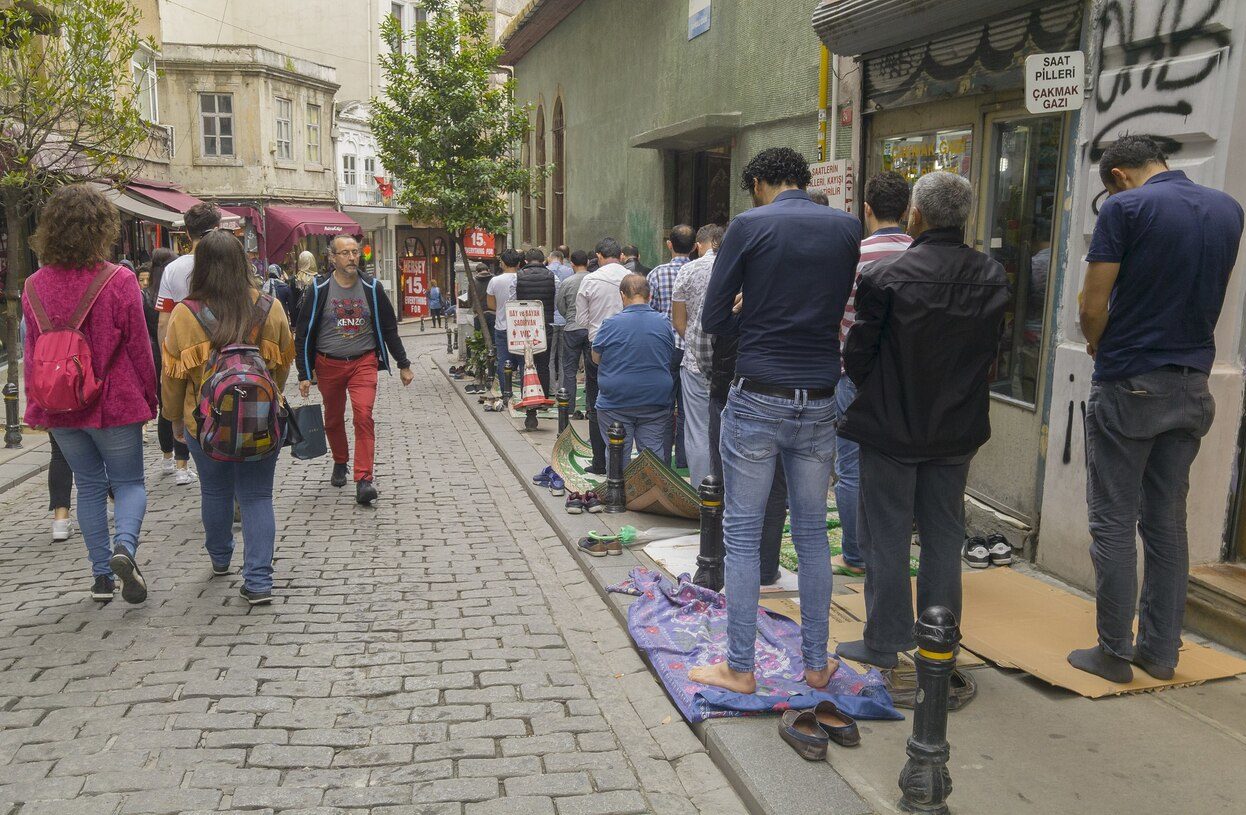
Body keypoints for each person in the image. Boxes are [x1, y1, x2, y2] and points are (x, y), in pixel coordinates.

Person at [1068, 135, 1244, 683]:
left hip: (1131, 380)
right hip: (1192, 384)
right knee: (1167, 523)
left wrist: (1097, 342)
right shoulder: (1226, 209)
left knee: (1114, 520)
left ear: (1118, 174)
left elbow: (1092, 302)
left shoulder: (1125, 207)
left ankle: (1114, 652)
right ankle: (1161, 652)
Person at [693, 147, 860, 693]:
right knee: (812, 533)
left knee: (742, 534)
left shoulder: (748, 225)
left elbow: (715, 317)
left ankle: (740, 667)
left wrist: (749, 307)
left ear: (761, 182)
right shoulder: (845, 228)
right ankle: (816, 663)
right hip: (819, 393)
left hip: (759, 391)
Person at [834, 172, 1008, 670]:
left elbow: (857, 356)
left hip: (892, 423)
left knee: (886, 534)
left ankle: (886, 640)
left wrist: (882, 387)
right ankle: (940, 641)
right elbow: (989, 354)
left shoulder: (886, 276)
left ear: (916, 215)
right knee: (942, 534)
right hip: (956, 425)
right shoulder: (992, 275)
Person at [23, 183, 157, 603]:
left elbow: (31, 355)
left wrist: (35, 404)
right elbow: (139, 345)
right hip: (114, 402)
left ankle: (101, 577)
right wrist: (150, 397)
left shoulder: (32, 286)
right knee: (129, 483)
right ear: (103, 228)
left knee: (89, 486)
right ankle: (125, 548)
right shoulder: (118, 280)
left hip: (60, 406)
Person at [160, 230, 294, 605]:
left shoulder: (186, 314)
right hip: (261, 420)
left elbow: (172, 376)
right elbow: (282, 363)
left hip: (203, 423)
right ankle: (259, 581)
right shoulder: (269, 306)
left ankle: (221, 558)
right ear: (243, 263)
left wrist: (174, 419)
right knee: (256, 496)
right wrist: (270, 397)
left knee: (215, 491)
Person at [833, 172, 914, 577]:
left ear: (866, 210)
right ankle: (892, 553)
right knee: (901, 464)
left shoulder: (853, 256)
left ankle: (854, 555)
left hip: (854, 374)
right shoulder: (922, 253)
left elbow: (835, 314)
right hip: (908, 377)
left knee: (850, 467)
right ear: (908, 211)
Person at [296, 235, 414, 505]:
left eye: (355, 252)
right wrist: (304, 373)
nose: (351, 258)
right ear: (332, 258)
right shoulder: (318, 288)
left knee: (363, 415)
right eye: (345, 253)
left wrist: (403, 363)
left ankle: (364, 479)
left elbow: (388, 328)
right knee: (333, 419)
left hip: (363, 361)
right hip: (328, 364)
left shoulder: (372, 288)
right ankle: (340, 460)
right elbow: (303, 334)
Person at [591, 274, 675, 464]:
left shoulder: (610, 324)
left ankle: (619, 492)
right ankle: (651, 491)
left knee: (617, 455)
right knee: (652, 457)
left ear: (622, 295)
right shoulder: (664, 323)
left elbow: (596, 358)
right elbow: (668, 354)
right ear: (649, 296)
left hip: (615, 402)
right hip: (655, 400)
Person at [671, 223, 723, 490]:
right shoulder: (736, 265)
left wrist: (693, 341)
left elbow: (678, 319)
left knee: (698, 431)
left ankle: (701, 494)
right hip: (731, 363)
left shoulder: (688, 269)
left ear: (700, 244)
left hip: (694, 362)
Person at [575, 238, 631, 474]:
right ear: (621, 256)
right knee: (628, 401)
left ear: (598, 256)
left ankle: (600, 462)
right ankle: (627, 459)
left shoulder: (590, 279)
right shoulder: (632, 279)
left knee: (597, 402)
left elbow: (581, 320)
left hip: (598, 346)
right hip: (629, 345)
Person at [141, 247, 194, 482]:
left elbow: (154, 327)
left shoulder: (148, 293)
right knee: (187, 405)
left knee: (169, 408)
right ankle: (183, 465)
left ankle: (168, 458)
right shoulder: (177, 283)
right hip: (185, 351)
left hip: (161, 355)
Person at [647, 225, 695, 470]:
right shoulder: (701, 271)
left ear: (669, 245)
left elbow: (650, 310)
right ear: (695, 246)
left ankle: (664, 458)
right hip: (692, 346)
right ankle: (685, 459)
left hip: (665, 348)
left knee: (665, 406)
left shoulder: (656, 274)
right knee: (687, 407)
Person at [514, 247, 558, 422]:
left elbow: (512, 300)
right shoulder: (553, 277)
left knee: (527, 363)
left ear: (525, 261)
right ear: (543, 261)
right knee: (544, 364)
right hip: (545, 324)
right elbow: (555, 302)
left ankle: (528, 398)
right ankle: (543, 397)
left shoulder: (518, 277)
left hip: (523, 326)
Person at [556, 250, 591, 416]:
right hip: (591, 329)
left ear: (572, 264)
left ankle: (568, 407)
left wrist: (570, 317)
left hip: (572, 328)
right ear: (588, 263)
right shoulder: (594, 280)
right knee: (592, 370)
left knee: (569, 370)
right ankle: (591, 407)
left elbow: (560, 305)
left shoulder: (567, 282)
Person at [487, 249, 522, 391]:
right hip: (520, 326)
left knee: (503, 361)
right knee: (524, 362)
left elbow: (490, 305)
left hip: (502, 325)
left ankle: (505, 392)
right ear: (518, 263)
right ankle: (526, 392)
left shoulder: (494, 281)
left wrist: (502, 308)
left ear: (503, 263)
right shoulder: (522, 278)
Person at [547, 249, 574, 385]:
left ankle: (551, 387)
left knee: (550, 356)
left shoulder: (546, 271)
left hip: (550, 318)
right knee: (563, 356)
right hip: (564, 318)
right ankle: (563, 386)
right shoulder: (569, 270)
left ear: (550, 258)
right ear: (562, 259)